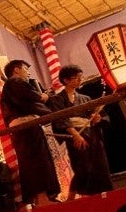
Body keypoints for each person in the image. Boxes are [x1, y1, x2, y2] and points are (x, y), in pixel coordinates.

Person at [0, 59, 60, 207]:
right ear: (16, 69)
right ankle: (42, 198)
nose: (28, 73)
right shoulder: (15, 82)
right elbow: (31, 99)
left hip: (22, 127)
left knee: (31, 161)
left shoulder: (10, 87)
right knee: (37, 160)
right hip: (26, 126)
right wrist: (42, 97)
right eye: (25, 69)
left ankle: (39, 199)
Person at [49, 64, 114, 196]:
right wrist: (75, 135)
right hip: (75, 135)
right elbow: (61, 118)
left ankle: (104, 194)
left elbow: (100, 116)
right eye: (76, 77)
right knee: (82, 166)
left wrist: (97, 119)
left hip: (91, 135)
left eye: (80, 77)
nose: (80, 80)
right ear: (66, 80)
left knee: (99, 165)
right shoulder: (56, 99)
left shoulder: (85, 98)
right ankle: (83, 195)